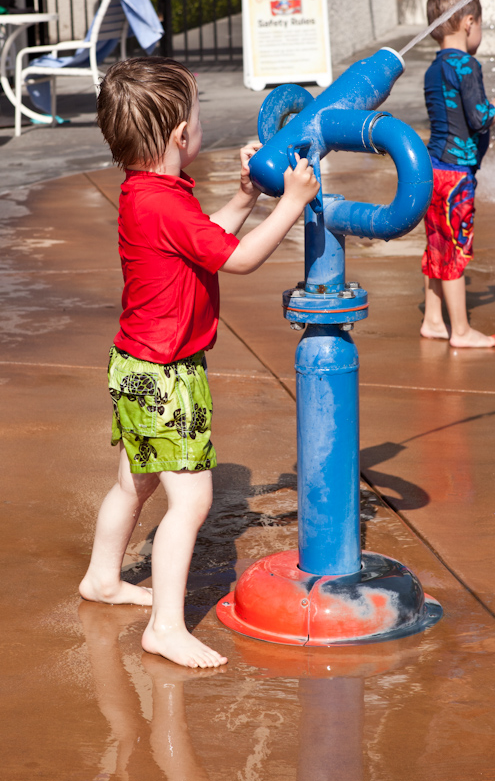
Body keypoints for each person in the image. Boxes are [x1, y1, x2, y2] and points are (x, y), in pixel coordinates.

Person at [79, 56, 318, 668]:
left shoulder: (148, 194)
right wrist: (289, 204)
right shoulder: (164, 203)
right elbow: (235, 260)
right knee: (192, 501)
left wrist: (245, 196)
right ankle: (165, 626)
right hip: (166, 375)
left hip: (134, 364)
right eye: (196, 113)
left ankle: (104, 579)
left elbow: (204, 243)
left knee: (135, 479)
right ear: (182, 136)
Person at [420, 0, 495, 347]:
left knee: (438, 241)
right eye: (480, 25)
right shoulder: (465, 64)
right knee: (454, 245)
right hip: (455, 175)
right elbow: (481, 117)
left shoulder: (434, 69)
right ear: (469, 23)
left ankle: (434, 321)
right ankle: (461, 332)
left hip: (432, 169)